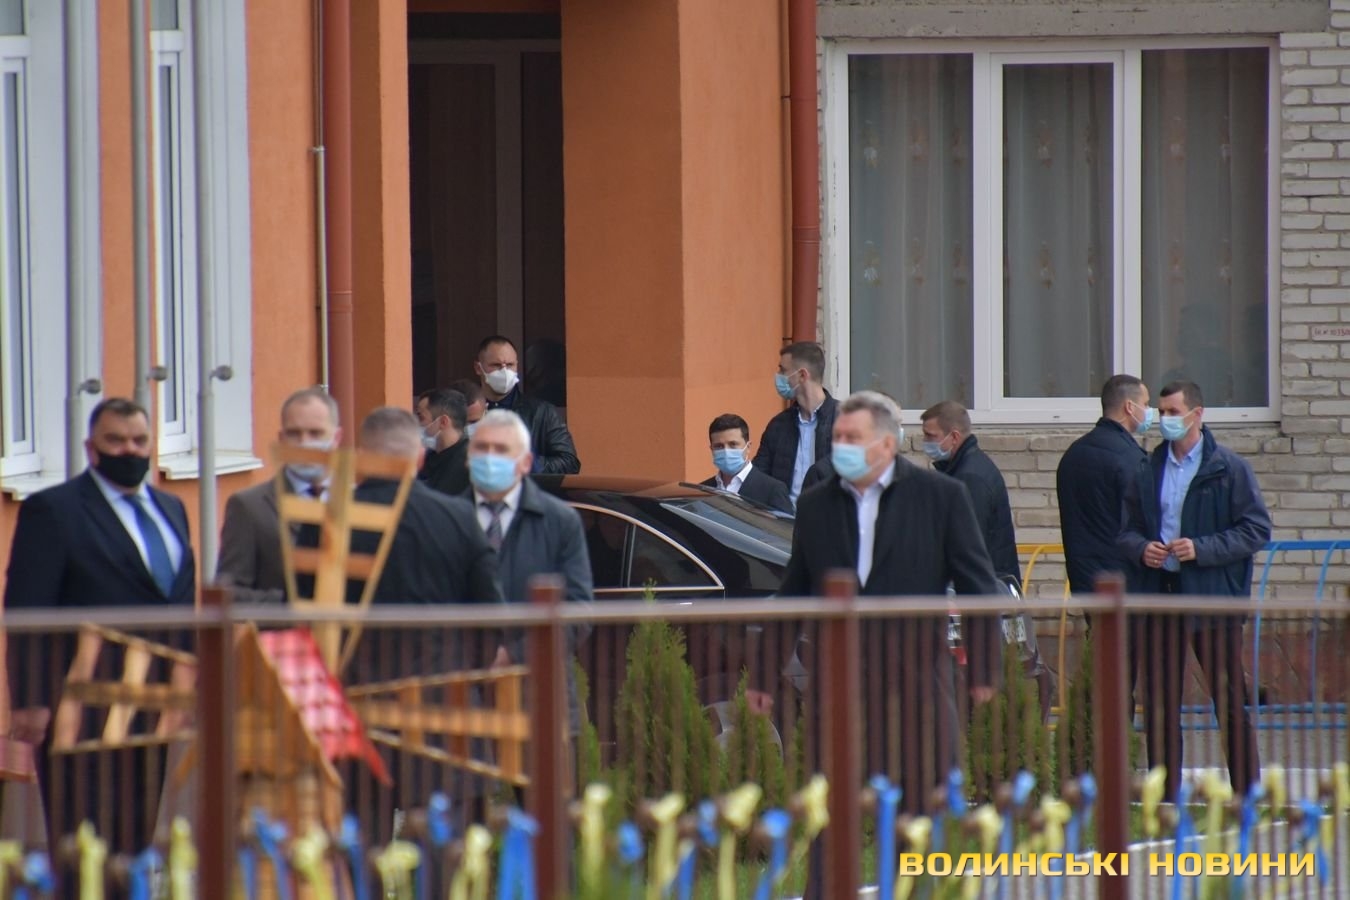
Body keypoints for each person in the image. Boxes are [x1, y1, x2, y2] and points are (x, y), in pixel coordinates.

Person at [781, 391, 1002, 807]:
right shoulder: (816, 503)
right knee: (830, 805)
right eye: (837, 437)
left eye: (852, 438)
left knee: (919, 805)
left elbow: (978, 585)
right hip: (841, 679)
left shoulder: (940, 496)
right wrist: (764, 671)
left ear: (885, 443)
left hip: (917, 678)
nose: (841, 446)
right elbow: (795, 588)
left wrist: (984, 669)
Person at [4, 398, 196, 856]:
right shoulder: (54, 510)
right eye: (116, 440)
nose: (129, 450)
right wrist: (30, 701)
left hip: (153, 700)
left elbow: (179, 601)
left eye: (139, 441)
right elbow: (28, 606)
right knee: (84, 840)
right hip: (80, 703)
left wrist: (190, 686)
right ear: (92, 448)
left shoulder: (171, 508)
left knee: (137, 834)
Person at [340, 406, 504, 844]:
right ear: (418, 457)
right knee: (446, 859)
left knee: (360, 857)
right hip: (444, 707)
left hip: (354, 711)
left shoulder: (330, 520)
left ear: (362, 459)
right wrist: (467, 671)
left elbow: (302, 611)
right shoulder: (457, 518)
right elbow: (491, 615)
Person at [1119, 380, 1269, 803]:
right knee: (1161, 702)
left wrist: (1201, 549)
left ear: (1197, 414)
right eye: (1161, 411)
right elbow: (1125, 531)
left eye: (1172, 411)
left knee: (1228, 698)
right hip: (1162, 592)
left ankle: (1247, 793)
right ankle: (1165, 794)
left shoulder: (1228, 468)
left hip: (1211, 596)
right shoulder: (1148, 468)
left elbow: (1255, 529)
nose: (1164, 419)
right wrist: (1142, 548)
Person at [463, 409, 594, 786]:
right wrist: (475, 657)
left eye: (501, 450)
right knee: (467, 819)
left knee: (548, 817)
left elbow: (578, 611)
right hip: (465, 700)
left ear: (525, 462)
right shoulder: (449, 517)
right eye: (482, 448)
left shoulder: (559, 522)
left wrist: (511, 655)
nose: (490, 458)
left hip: (541, 700)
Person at [921, 400, 1053, 721]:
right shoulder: (968, 469)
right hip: (989, 590)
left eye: (930, 435)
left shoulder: (971, 478)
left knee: (975, 687)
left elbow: (967, 545)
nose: (925, 442)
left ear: (953, 437)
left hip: (983, 596)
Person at [217, 387, 340, 604]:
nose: (304, 443)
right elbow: (228, 593)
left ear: (336, 438)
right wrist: (291, 604)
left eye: (315, 433)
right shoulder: (250, 506)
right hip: (283, 624)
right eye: (294, 434)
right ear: (281, 439)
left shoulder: (359, 502)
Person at [1057, 374, 1154, 596]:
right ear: (1130, 407)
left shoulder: (1074, 453)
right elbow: (1140, 522)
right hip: (1124, 581)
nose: (1150, 411)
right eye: (1146, 404)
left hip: (1083, 577)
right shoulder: (1130, 458)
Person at [474, 336, 580, 474]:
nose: (504, 371)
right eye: (496, 365)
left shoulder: (542, 412)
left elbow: (570, 463)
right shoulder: (462, 411)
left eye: (510, 365)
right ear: (478, 368)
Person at [753, 341, 839, 507]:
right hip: (782, 519)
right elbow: (759, 477)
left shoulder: (846, 421)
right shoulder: (778, 425)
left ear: (802, 375)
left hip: (828, 519)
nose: (778, 376)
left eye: (783, 370)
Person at [701, 413, 792, 514]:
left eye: (733, 444)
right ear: (711, 449)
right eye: (719, 446)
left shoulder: (773, 489)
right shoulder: (702, 490)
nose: (726, 451)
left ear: (748, 447)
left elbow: (785, 524)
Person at [415, 387, 471, 497]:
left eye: (421, 418)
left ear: (443, 422)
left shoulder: (468, 464)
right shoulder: (428, 458)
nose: (417, 424)